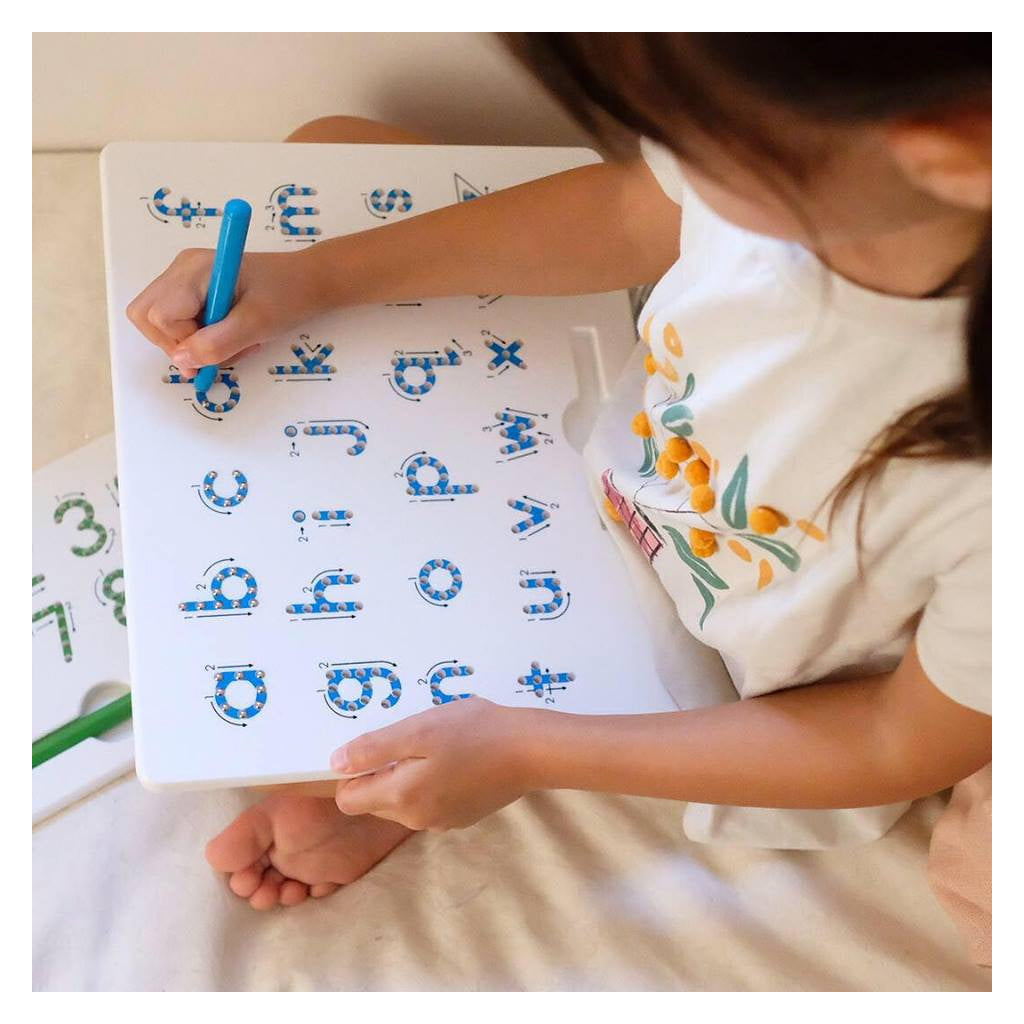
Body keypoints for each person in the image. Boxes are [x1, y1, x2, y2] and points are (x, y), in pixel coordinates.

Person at [127, 32, 992, 952]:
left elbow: (894, 742)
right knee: (330, 144)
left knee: (344, 725)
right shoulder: (809, 149)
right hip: (610, 463)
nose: (663, 147)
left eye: (689, 134)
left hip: (731, 685)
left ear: (952, 145)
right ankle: (434, 771)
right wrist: (312, 276)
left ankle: (423, 787)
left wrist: (530, 751)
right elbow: (628, 212)